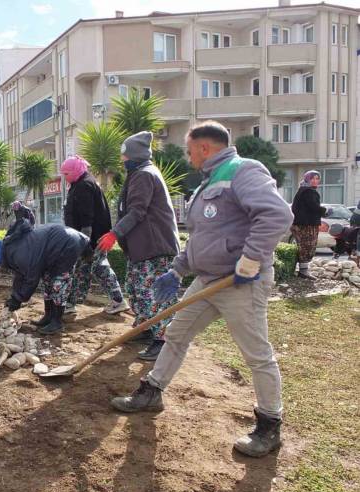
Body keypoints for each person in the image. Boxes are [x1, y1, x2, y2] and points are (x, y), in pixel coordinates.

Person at [111, 121, 293, 458]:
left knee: (256, 354)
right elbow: (202, 238)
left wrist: (250, 261)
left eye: (189, 148)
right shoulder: (208, 180)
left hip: (240, 283)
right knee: (176, 334)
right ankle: (152, 391)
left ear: (204, 147)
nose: (188, 155)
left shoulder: (243, 171)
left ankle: (270, 424)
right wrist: (178, 269)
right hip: (208, 280)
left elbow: (277, 215)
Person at [96, 131, 180, 361]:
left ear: (134, 156)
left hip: (154, 248)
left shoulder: (144, 175)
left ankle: (163, 339)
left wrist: (115, 233)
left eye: (124, 156)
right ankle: (145, 328)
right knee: (134, 288)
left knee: (152, 293)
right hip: (142, 249)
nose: (122, 160)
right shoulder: (138, 173)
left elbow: (137, 211)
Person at [0, 201, 90, 335]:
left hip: (66, 244)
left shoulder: (19, 254)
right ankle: (48, 317)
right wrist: (14, 297)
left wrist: (18, 299)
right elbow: (20, 275)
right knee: (47, 281)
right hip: (54, 247)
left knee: (58, 283)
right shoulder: (10, 249)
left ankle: (56, 322)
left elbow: (31, 278)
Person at [60, 155, 128, 316]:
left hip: (90, 239)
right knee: (99, 267)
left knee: (80, 269)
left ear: (75, 170)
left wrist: (84, 244)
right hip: (95, 238)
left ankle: (70, 304)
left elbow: (87, 218)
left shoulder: (84, 186)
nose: (65, 178)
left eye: (66, 174)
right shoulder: (82, 183)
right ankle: (118, 300)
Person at [291, 170, 326, 279]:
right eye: (312, 178)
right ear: (307, 179)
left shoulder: (302, 190)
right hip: (306, 225)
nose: (315, 181)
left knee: (303, 247)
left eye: (317, 178)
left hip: (301, 223)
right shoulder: (309, 191)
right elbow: (314, 207)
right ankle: (303, 272)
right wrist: (325, 210)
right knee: (307, 247)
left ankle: (302, 270)